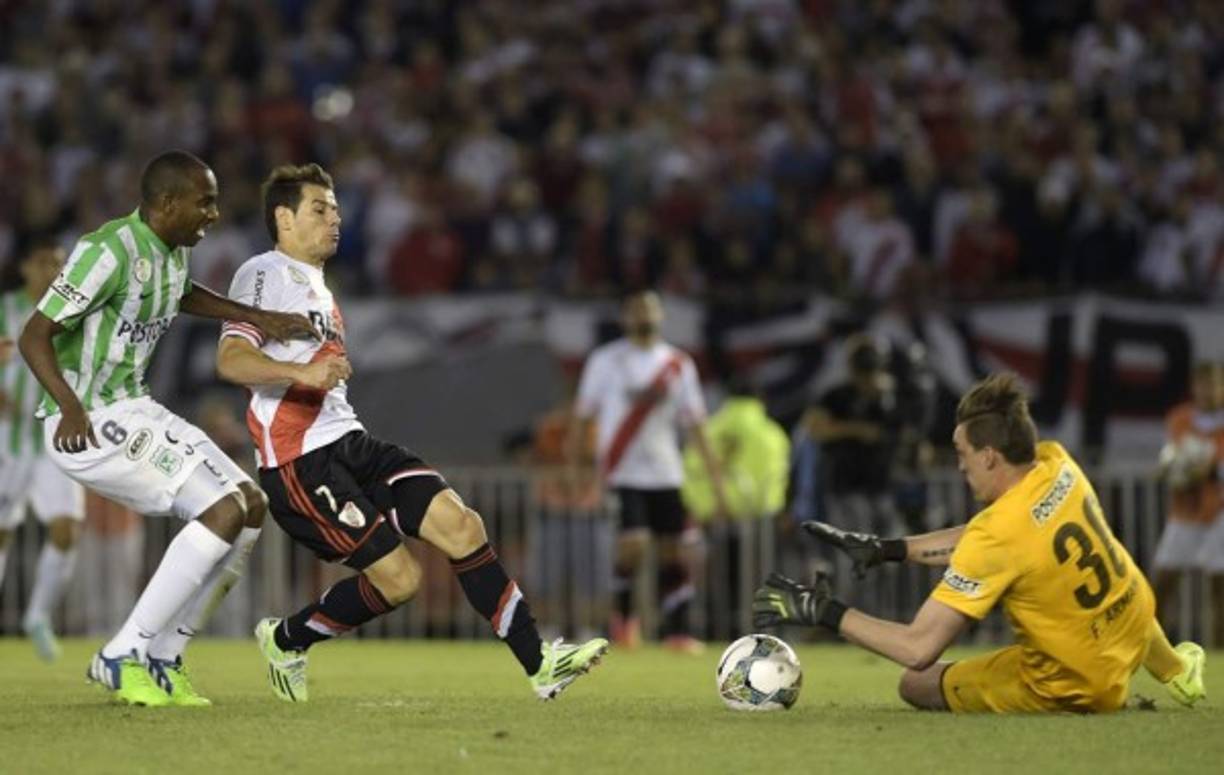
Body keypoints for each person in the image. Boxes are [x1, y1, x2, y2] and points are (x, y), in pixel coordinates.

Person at [216, 163, 607, 703]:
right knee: (401, 582)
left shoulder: (321, 288)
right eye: (320, 209)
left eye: (335, 208)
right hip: (300, 463)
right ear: (283, 217)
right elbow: (232, 359)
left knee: (462, 524)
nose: (336, 218)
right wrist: (302, 372)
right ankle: (287, 640)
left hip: (352, 443)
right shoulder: (263, 272)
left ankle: (541, 663)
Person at [18, 150, 316, 707]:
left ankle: (164, 658)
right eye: (204, 202)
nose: (214, 214)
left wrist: (260, 318)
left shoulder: (171, 251)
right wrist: (70, 405)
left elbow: (179, 295)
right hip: (87, 420)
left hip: (134, 407)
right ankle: (121, 653)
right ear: (166, 203)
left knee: (250, 506)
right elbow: (37, 333)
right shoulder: (106, 251)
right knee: (222, 509)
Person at [753, 373, 1207, 713]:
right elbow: (993, 538)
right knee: (1121, 590)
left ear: (989, 456)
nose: (960, 466)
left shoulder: (999, 533)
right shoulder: (1056, 463)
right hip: (1132, 628)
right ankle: (1177, 669)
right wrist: (889, 548)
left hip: (1079, 683)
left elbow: (917, 646)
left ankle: (1109, 695)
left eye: (962, 453)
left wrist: (826, 612)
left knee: (915, 683)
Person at [566, 289, 730, 652]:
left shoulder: (678, 364)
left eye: (650, 308)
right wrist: (576, 466)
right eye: (636, 308)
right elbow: (582, 416)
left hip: (666, 471)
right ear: (625, 317)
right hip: (622, 472)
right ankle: (623, 621)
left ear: (661, 316)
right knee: (633, 545)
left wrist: (716, 481)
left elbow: (696, 425)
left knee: (676, 550)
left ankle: (678, 631)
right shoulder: (606, 361)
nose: (644, 314)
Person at [0, 240, 86, 661]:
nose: (53, 269)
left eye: (59, 262)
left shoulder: (73, 313)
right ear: (25, 266)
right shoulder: (5, 310)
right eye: (44, 261)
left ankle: (38, 616)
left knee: (66, 530)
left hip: (54, 440)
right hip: (7, 442)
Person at [1151, 361, 1224, 642]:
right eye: (1203, 385)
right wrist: (1170, 470)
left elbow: (1212, 469)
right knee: (1160, 585)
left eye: (1214, 384)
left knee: (1219, 590)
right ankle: (1151, 651)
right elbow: (1170, 457)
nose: (1208, 391)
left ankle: (1219, 660)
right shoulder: (1180, 418)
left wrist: (1208, 472)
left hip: (1218, 514)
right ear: (1194, 387)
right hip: (1184, 514)